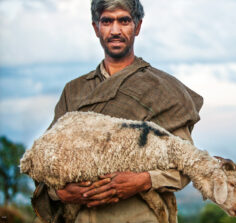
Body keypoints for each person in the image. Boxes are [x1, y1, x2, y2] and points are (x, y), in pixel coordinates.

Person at [32, 0, 203, 222]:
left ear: (137, 27)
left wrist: (142, 180)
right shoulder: (74, 91)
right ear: (96, 28)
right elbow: (47, 160)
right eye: (106, 21)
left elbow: (184, 163)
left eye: (124, 20)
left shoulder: (162, 90)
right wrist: (60, 192)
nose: (115, 30)